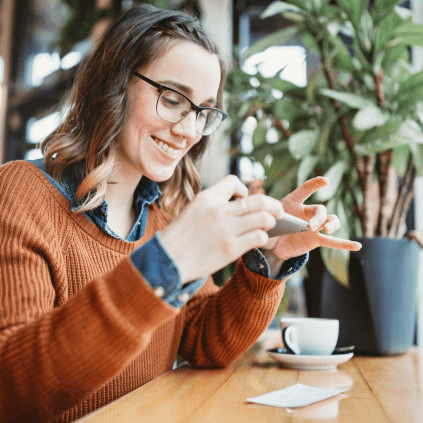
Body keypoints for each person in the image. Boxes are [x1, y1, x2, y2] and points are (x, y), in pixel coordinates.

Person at [0, 4, 361, 423]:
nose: (189, 130)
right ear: (112, 84)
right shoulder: (20, 193)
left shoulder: (166, 213)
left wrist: (270, 260)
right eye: (172, 99)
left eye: (203, 112)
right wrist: (163, 266)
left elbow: (206, 342)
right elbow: (12, 390)